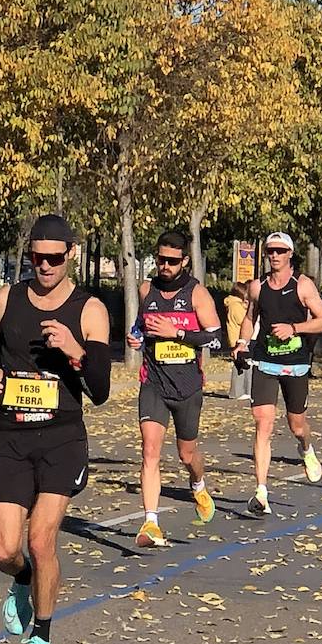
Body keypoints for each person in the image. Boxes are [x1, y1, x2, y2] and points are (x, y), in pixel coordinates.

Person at [0, 214, 111, 644]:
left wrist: (76, 350)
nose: (45, 266)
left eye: (54, 258)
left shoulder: (90, 309)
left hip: (62, 439)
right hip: (12, 437)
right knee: (3, 549)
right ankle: (23, 580)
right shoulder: (4, 302)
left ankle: (42, 638)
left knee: (41, 538)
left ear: (71, 255)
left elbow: (101, 389)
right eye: (37, 257)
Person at [126, 230, 222, 547]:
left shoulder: (197, 295)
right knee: (150, 452)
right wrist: (136, 337)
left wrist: (177, 333)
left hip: (188, 386)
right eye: (160, 259)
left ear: (184, 261)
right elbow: (141, 326)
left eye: (171, 261)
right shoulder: (146, 289)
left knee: (186, 453)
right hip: (153, 382)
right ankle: (151, 523)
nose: (164, 266)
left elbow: (216, 339)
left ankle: (198, 485)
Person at [232, 231, 322, 515]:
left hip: (296, 364)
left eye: (280, 251)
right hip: (265, 363)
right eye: (270, 251)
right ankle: (261, 492)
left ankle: (306, 448)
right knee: (263, 422)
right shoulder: (257, 287)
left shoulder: (303, 286)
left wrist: (295, 329)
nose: (274, 256)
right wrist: (241, 343)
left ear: (290, 254)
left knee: (296, 425)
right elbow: (250, 318)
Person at [225, 281, 251, 400]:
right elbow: (244, 320)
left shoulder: (233, 304)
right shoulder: (235, 306)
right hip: (237, 338)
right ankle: (236, 392)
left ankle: (243, 390)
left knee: (243, 364)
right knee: (239, 366)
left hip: (236, 338)